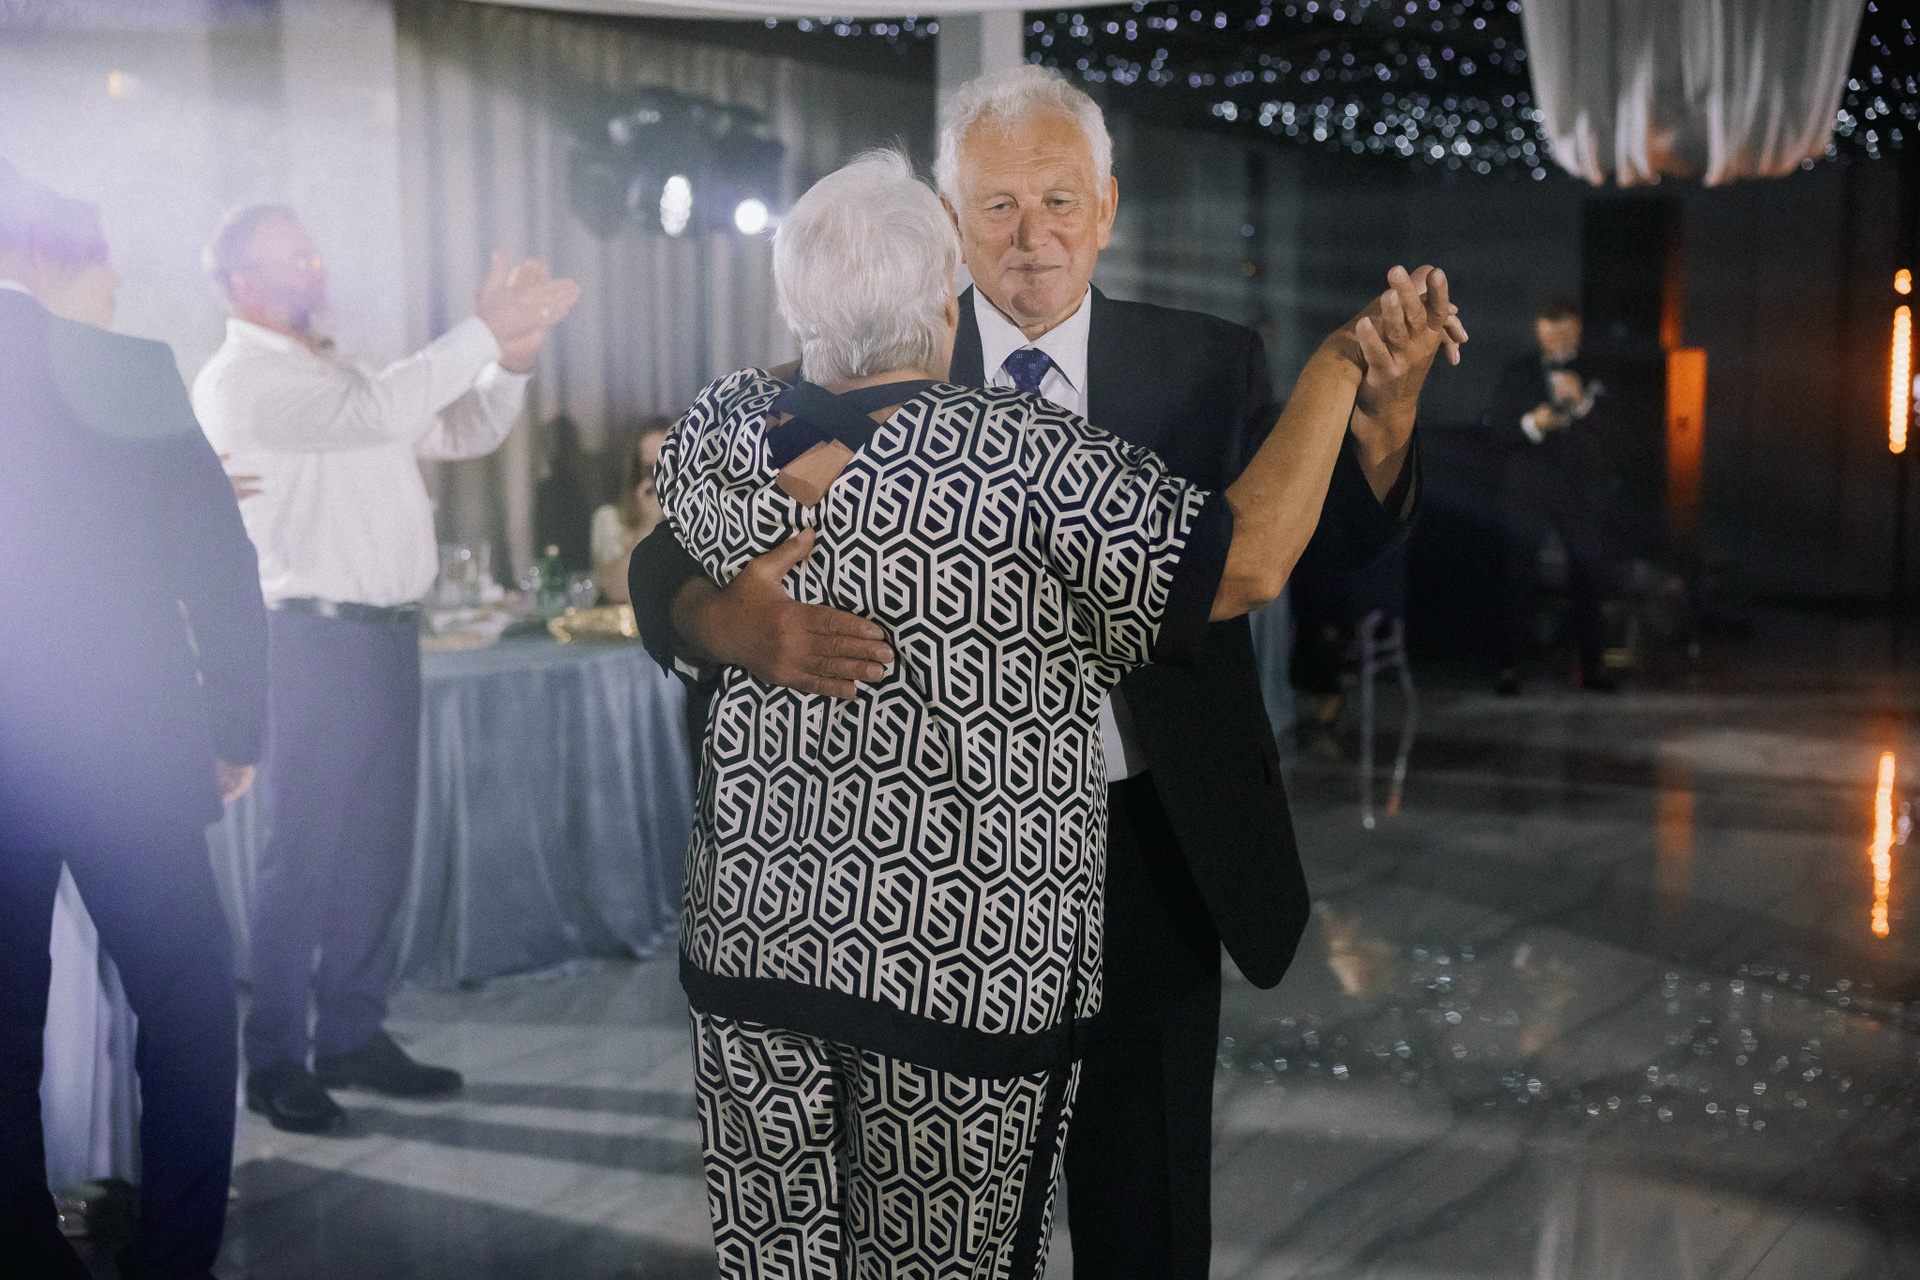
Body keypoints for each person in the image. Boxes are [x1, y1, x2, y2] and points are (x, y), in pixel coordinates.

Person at [629, 66, 1457, 1280]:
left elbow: (1308, 550)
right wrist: (733, 625)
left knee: (1140, 1222)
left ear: (1108, 207)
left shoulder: (1209, 363)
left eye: (1061, 200)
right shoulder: (880, 363)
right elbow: (668, 561)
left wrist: (1380, 425)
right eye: (1000, 206)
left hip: (1146, 845)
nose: (1033, 236)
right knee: (955, 1230)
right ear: (948, 227)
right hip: (941, 885)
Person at [191, 205, 580, 1133]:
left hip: (386, 638)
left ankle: (353, 1035)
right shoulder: (243, 381)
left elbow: (465, 428)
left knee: (375, 849)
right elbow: (380, 412)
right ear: (241, 282)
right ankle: (274, 1059)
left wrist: (510, 360)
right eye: (293, 259)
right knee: (303, 858)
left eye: (314, 252)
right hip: (307, 640)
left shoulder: (337, 370)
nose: (316, 267)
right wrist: (480, 327)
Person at [0, 162, 267, 1280]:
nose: (113, 277)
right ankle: (172, 1260)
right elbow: (221, 567)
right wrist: (237, 727)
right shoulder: (124, 367)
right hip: (126, 752)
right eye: (101, 254)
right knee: (189, 1016)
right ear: (51, 254)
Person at [1484, 293, 1618, 694]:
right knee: (1516, 575)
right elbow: (1498, 427)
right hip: (1529, 488)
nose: (1557, 343)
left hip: (1580, 489)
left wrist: (1584, 406)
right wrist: (1533, 423)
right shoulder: (1518, 371)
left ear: (1577, 329)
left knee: (1589, 575)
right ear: (1538, 331)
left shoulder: (1596, 370)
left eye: (1564, 335)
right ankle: (1508, 666)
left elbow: (1618, 431)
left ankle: (1592, 665)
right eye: (1549, 335)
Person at [590, 419, 671, 604]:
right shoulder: (610, 521)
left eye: (667, 464)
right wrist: (648, 525)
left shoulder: (701, 518)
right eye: (651, 469)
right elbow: (617, 593)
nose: (661, 476)